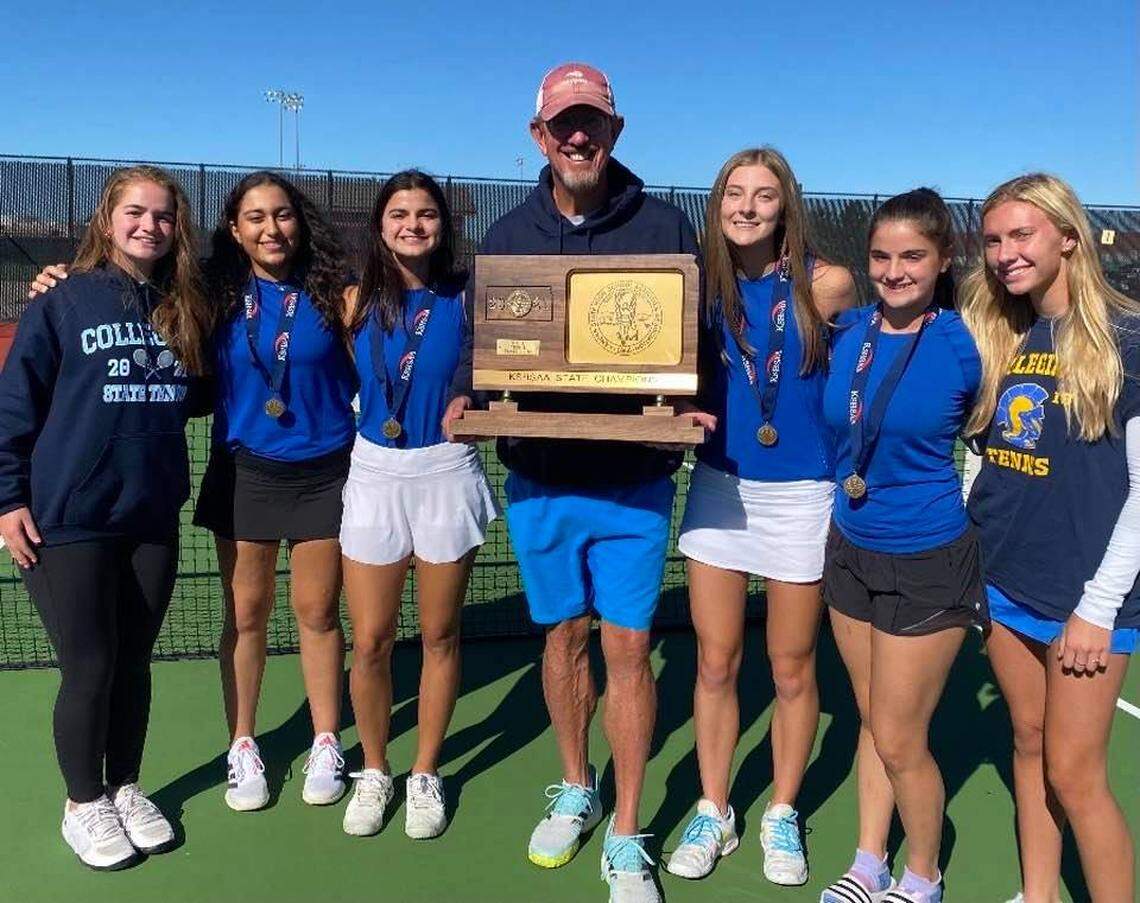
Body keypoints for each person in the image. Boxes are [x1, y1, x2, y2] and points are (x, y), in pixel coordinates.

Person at [31, 172, 359, 812]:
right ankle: (243, 745)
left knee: (318, 613)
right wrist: (59, 278)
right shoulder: (206, 294)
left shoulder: (334, 294)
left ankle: (326, 739)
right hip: (245, 472)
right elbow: (130, 296)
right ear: (233, 229)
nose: (271, 228)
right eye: (255, 217)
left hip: (325, 472)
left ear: (300, 222)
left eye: (283, 214)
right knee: (245, 616)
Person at [480, 62, 699, 903]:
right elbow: (484, 340)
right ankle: (577, 784)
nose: (578, 136)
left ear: (615, 131)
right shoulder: (507, 235)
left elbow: (694, 340)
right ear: (539, 135)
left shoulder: (666, 224)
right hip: (540, 480)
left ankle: (627, 829)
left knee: (629, 649)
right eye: (563, 123)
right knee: (564, 639)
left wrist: (699, 403)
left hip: (636, 483)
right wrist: (468, 389)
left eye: (592, 122)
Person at [0, 166, 212, 869]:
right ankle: (83, 802)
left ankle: (124, 786)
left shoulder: (183, 304)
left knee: (134, 661)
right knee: (89, 664)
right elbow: (15, 404)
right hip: (69, 517)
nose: (150, 225)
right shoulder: (63, 298)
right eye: (135, 211)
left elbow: (198, 393)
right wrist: (7, 499)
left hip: (149, 515)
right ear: (108, 217)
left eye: (163, 215)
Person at [667, 147, 856, 886]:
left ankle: (780, 809)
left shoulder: (827, 284)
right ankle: (714, 808)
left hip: (803, 496)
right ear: (717, 202)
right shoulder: (698, 284)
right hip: (720, 489)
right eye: (734, 193)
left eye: (764, 195)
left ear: (786, 207)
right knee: (715, 661)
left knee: (791, 665)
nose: (747, 207)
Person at [962, 173, 1138, 903]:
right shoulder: (1001, 333)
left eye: (1021, 235)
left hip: (1086, 599)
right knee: (1028, 743)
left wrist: (1097, 606)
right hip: (1005, 580)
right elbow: (987, 457)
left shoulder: (1127, 338)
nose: (1005, 253)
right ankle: (1037, 895)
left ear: (1068, 237)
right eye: (993, 240)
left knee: (1075, 773)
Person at [819, 189, 986, 903]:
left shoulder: (967, 343)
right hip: (849, 546)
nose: (894, 271)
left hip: (928, 559)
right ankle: (869, 861)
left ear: (944, 258)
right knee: (873, 721)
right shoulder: (849, 330)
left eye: (912, 256)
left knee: (898, 734)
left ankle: (923, 876)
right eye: (881, 256)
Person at [338, 171, 498, 839]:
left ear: (443, 225)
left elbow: (498, 365)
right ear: (380, 226)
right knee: (371, 640)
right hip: (373, 472)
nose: (413, 225)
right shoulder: (352, 300)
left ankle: (425, 771)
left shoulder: (467, 297)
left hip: (445, 471)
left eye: (426, 213)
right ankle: (375, 769)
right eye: (400, 214)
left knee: (439, 635)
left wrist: (475, 399)